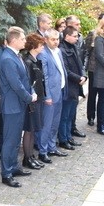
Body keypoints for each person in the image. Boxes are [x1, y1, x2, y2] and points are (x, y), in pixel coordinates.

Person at [0, 27, 36, 188]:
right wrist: (29, 97)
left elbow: (25, 79)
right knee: (10, 140)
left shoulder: (16, 56)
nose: (25, 41)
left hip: (18, 104)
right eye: (22, 39)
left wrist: (32, 91)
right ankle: (6, 173)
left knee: (15, 140)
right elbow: (16, 84)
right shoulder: (7, 59)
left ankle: (13, 166)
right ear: (14, 40)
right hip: (12, 106)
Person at [38, 30, 66, 159]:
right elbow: (44, 77)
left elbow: (62, 70)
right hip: (50, 95)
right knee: (46, 124)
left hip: (59, 91)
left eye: (57, 39)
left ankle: (52, 147)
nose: (56, 42)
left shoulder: (58, 51)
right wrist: (47, 96)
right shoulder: (43, 54)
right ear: (45, 40)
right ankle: (43, 151)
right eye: (53, 39)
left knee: (55, 123)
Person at [59, 26, 87, 146]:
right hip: (68, 86)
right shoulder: (62, 50)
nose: (77, 38)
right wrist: (79, 78)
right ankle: (63, 139)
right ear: (67, 36)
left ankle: (69, 137)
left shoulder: (74, 47)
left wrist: (84, 76)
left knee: (71, 114)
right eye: (74, 36)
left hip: (76, 85)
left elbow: (80, 64)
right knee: (65, 115)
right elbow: (66, 70)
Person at [21, 34, 46, 168]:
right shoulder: (28, 62)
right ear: (34, 46)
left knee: (33, 128)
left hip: (38, 98)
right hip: (32, 100)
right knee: (29, 129)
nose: (42, 47)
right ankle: (27, 157)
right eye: (41, 45)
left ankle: (31, 156)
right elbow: (29, 83)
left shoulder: (35, 60)